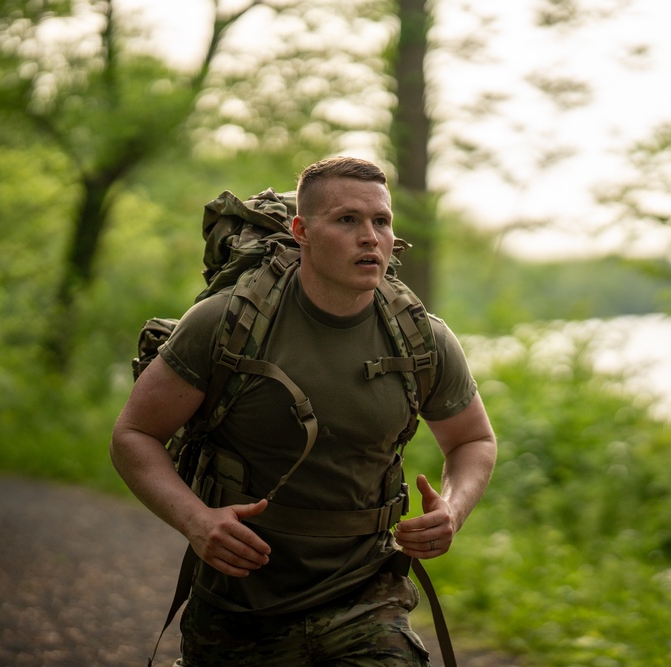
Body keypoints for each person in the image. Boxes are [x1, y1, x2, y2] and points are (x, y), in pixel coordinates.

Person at [110, 156, 497, 666]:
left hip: (365, 597)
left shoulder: (421, 337)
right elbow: (134, 435)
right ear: (302, 231)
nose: (370, 237)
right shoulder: (226, 323)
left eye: (381, 221)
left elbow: (473, 440)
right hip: (238, 601)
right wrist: (197, 521)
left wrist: (453, 508)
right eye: (346, 220)